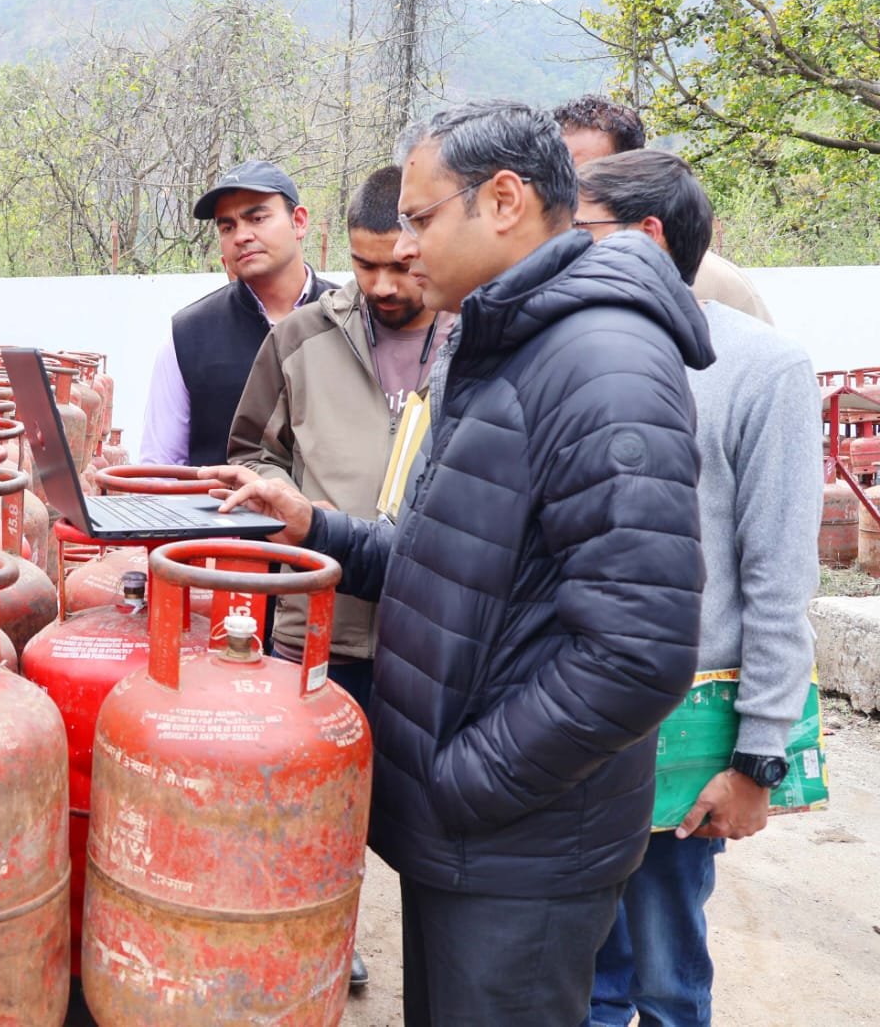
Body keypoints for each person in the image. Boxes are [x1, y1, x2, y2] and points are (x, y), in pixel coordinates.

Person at [202, 100, 714, 1026]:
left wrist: (466, 781)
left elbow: (638, 652)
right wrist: (318, 526)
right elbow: (449, 567)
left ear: (505, 201)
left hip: (520, 847)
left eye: (421, 218)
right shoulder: (504, 345)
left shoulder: (602, 365)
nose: (403, 247)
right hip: (470, 840)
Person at [574, 150, 821, 1027]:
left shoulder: (760, 368)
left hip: (682, 731)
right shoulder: (566, 357)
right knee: (584, 981)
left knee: (668, 974)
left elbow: (779, 576)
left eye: (579, 231)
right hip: (570, 723)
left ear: (646, 237)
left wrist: (757, 757)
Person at [225, 164, 453, 993]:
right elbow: (251, 450)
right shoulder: (300, 339)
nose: (383, 285)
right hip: (316, 627)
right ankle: (324, 935)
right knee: (311, 809)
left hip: (433, 637)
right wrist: (289, 503)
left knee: (432, 820)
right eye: (364, 265)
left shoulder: (472, 340)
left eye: (400, 264)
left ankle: (440, 962)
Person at [138, 160, 336, 466]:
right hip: (218, 498)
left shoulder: (348, 319)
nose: (241, 236)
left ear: (298, 221)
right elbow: (160, 468)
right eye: (227, 227)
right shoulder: (189, 336)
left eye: (257, 218)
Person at [554, 94, 774, 324]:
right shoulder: (547, 270)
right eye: (557, 173)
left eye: (586, 173)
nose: (566, 189)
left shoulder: (719, 286)